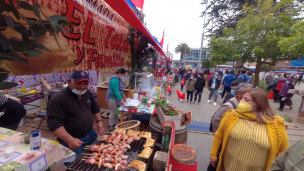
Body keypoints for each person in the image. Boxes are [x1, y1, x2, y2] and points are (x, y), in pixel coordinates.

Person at [209, 88, 289, 171]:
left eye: (246, 100)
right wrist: (213, 154)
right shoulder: (232, 115)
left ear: (259, 103)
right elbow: (219, 135)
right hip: (229, 166)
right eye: (241, 98)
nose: (242, 101)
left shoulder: (276, 124)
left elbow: (283, 150)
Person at [47, 71, 104, 157]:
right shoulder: (58, 99)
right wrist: (70, 140)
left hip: (91, 134)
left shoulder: (87, 93)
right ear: (70, 82)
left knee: (96, 157)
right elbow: (54, 124)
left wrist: (99, 121)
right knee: (76, 165)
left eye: (86, 83)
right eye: (79, 83)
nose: (83, 87)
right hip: (73, 139)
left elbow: (95, 107)